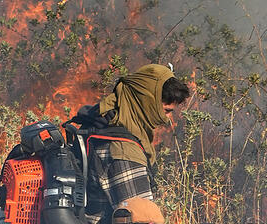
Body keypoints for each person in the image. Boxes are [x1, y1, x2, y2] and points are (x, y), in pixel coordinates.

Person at [68, 64, 191, 212]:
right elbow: (142, 222)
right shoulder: (124, 150)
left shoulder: (103, 125)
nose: (167, 118)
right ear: (147, 102)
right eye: (166, 111)